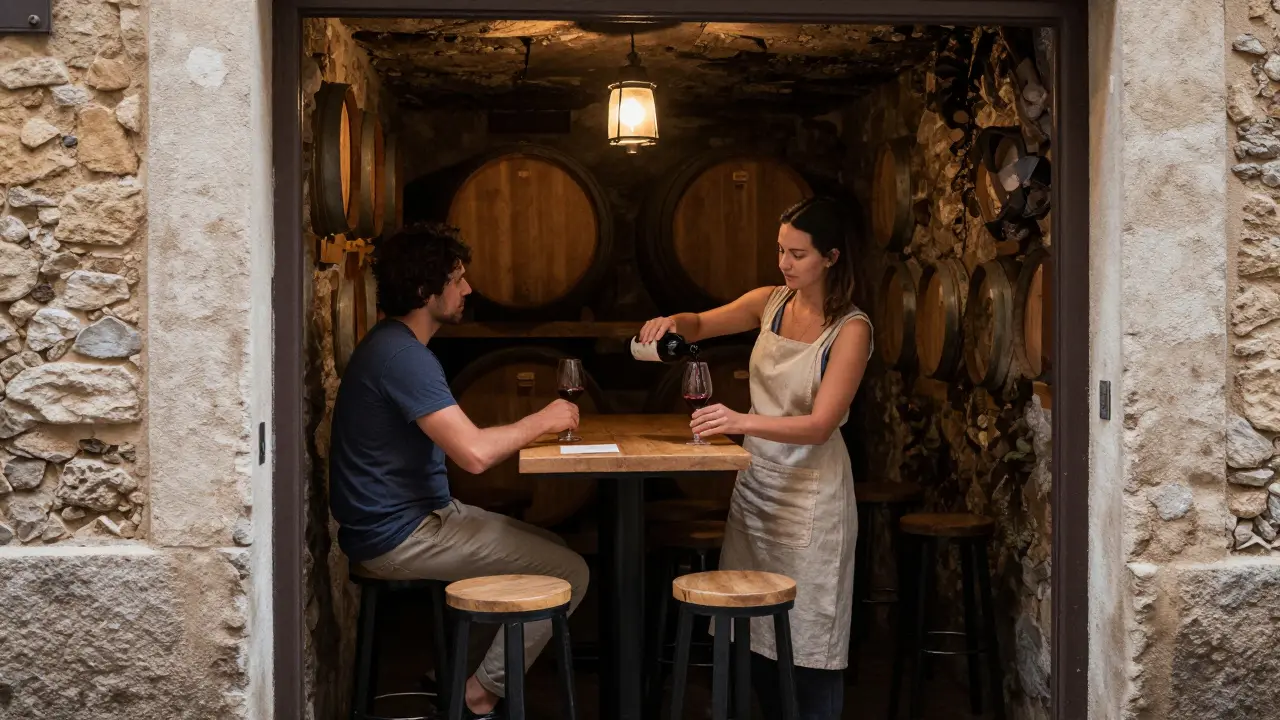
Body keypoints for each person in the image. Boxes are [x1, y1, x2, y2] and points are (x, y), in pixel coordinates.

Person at [328, 222, 589, 720]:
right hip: (401, 536)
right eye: (458, 278)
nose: (467, 289)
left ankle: (455, 676)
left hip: (413, 519)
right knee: (572, 573)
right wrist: (544, 419)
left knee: (554, 553)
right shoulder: (404, 357)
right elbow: (472, 454)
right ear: (428, 290)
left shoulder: (394, 344)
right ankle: (479, 694)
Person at [636, 196, 872, 720]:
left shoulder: (851, 330)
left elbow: (819, 424)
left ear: (832, 257)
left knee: (809, 636)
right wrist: (668, 321)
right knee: (752, 632)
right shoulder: (771, 301)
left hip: (812, 494)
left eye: (797, 254)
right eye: (780, 250)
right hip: (758, 483)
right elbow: (698, 324)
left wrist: (741, 421)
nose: (784, 264)